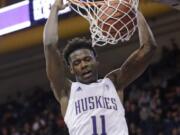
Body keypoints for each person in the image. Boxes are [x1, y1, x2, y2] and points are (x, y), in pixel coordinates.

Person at [43, 0, 157, 134]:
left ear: (96, 61)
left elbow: (149, 48)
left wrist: (136, 9)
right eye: (77, 63)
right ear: (71, 69)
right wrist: (55, 8)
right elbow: (50, 45)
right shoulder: (67, 91)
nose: (83, 65)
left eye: (87, 59)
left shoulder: (114, 83)